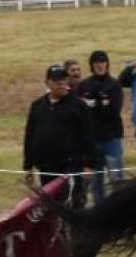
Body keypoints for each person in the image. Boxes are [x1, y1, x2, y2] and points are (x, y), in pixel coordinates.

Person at [23, 65, 97, 208]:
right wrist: (28, 166)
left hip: (70, 167)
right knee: (50, 206)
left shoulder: (78, 106)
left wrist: (89, 164)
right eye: (57, 80)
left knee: (72, 205)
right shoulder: (37, 105)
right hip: (46, 166)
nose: (62, 83)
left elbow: (88, 135)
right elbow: (30, 135)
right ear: (48, 83)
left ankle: (74, 230)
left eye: (64, 79)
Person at [76, 50, 124, 202]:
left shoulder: (114, 85)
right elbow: (81, 111)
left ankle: (119, 209)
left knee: (116, 178)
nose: (100, 65)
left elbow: (114, 110)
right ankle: (100, 212)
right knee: (96, 181)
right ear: (92, 65)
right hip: (92, 139)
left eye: (103, 62)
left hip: (111, 138)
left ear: (107, 64)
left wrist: (93, 104)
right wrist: (101, 102)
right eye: (96, 62)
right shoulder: (83, 85)